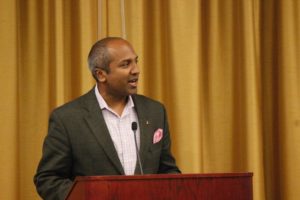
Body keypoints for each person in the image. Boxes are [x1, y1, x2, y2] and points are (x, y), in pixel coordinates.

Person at [34, 37, 181, 200]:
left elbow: (168, 172)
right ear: (101, 74)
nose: (136, 70)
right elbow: (48, 180)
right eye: (125, 64)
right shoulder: (67, 119)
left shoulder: (155, 112)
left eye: (135, 61)